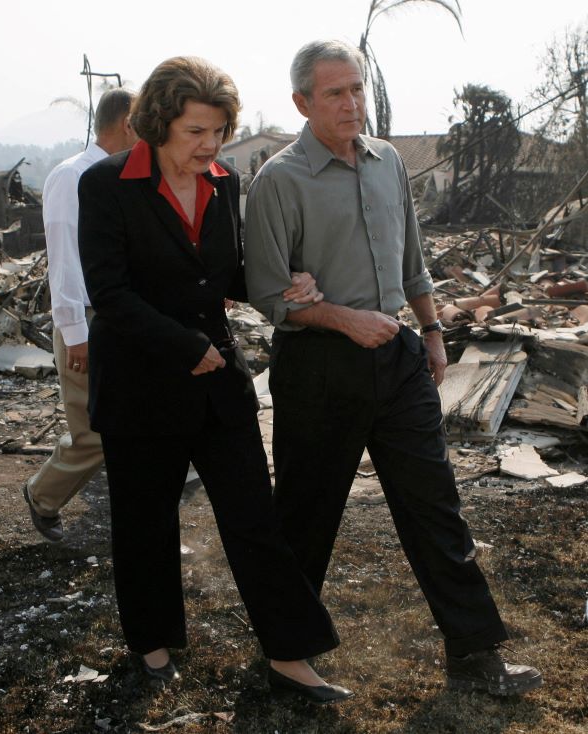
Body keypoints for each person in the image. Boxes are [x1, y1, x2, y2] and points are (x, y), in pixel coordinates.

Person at [243, 39, 542, 697]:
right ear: (302, 102)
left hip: (399, 359)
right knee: (305, 516)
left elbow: (412, 261)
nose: (352, 104)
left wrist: (431, 333)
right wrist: (343, 319)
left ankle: (474, 655)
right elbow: (268, 294)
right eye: (334, 93)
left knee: (435, 507)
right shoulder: (279, 181)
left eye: (356, 89)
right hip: (319, 367)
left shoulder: (388, 164)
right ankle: (285, 660)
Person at [78, 55, 352, 703]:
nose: (210, 146)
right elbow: (109, 292)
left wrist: (282, 282)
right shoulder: (108, 184)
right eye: (196, 132)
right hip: (141, 386)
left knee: (255, 517)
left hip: (218, 382)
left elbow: (225, 275)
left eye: (219, 131)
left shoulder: (226, 183)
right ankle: (152, 644)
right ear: (158, 125)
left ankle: (290, 654)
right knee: (145, 522)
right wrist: (181, 346)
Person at [21, 88, 138, 543]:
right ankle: (43, 494)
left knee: (137, 427)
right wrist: (75, 332)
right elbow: (65, 259)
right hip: (87, 319)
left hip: (126, 317)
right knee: (93, 433)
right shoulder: (74, 176)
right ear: (128, 123)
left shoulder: (129, 175)